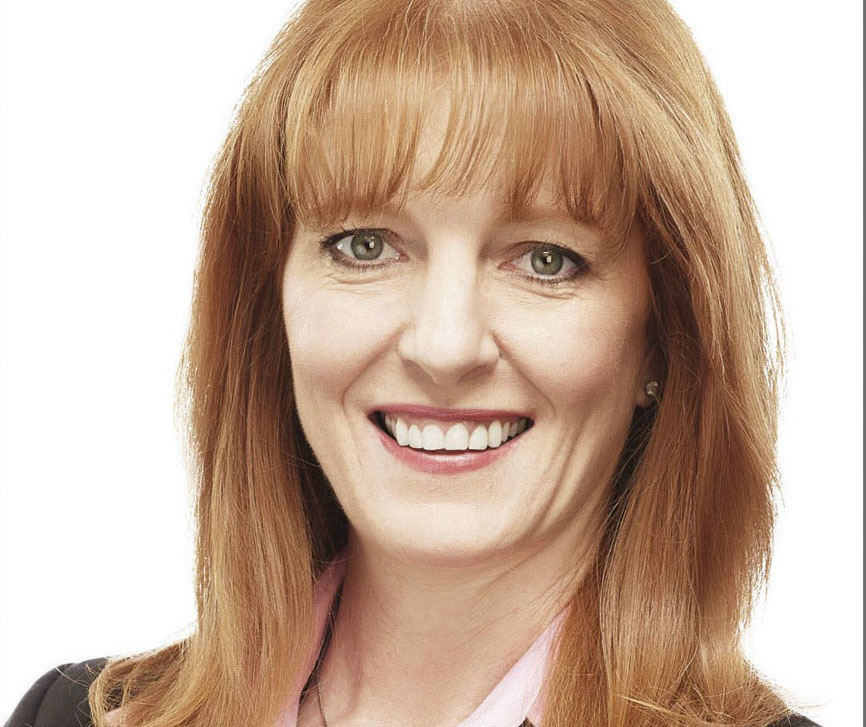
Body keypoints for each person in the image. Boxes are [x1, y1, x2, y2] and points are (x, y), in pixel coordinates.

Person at [4, 1, 823, 726]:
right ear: (270, 305)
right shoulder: (70, 719)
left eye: (545, 259)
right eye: (365, 246)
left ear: (664, 336)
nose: (444, 346)